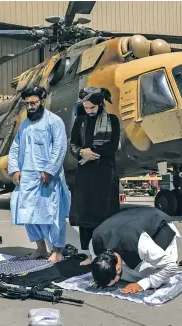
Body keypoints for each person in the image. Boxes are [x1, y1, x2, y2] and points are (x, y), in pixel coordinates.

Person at [8, 86, 71, 263]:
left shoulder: (54, 121)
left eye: (33, 103)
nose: (30, 107)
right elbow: (15, 148)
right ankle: (41, 248)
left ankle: (57, 251)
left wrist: (49, 170)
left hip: (47, 177)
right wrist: (15, 170)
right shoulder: (25, 125)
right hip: (27, 178)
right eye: (27, 103)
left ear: (42, 101)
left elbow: (59, 148)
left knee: (52, 214)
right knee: (28, 214)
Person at [69, 87, 121, 262]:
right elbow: (73, 144)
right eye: (86, 108)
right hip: (85, 175)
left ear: (100, 104)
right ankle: (90, 255)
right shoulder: (80, 122)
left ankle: (106, 254)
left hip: (105, 174)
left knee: (104, 215)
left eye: (92, 107)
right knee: (86, 217)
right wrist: (81, 154)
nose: (89, 111)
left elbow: (113, 146)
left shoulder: (112, 120)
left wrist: (90, 153)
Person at [87, 206, 181, 294]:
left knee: (148, 273)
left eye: (114, 281)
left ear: (118, 268)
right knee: (133, 271)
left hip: (159, 224)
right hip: (131, 221)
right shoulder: (94, 244)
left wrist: (144, 284)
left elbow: (171, 266)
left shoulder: (139, 245)